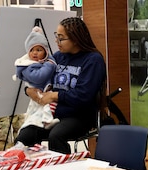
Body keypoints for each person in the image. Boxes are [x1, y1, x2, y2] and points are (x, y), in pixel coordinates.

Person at [15, 17, 106, 154]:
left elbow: (83, 95)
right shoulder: (58, 57)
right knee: (24, 136)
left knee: (56, 136)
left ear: (75, 39)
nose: (56, 42)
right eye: (56, 37)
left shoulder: (93, 60)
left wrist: (53, 96)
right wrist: (28, 90)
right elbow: (38, 78)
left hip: (80, 115)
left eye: (61, 38)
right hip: (52, 114)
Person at [13, 26, 58, 130]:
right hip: (38, 92)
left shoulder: (43, 62)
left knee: (48, 106)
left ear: (46, 52)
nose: (35, 53)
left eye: (38, 50)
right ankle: (46, 121)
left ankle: (46, 121)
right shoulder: (28, 66)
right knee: (38, 109)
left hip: (44, 91)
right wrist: (49, 64)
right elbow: (39, 77)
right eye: (32, 50)